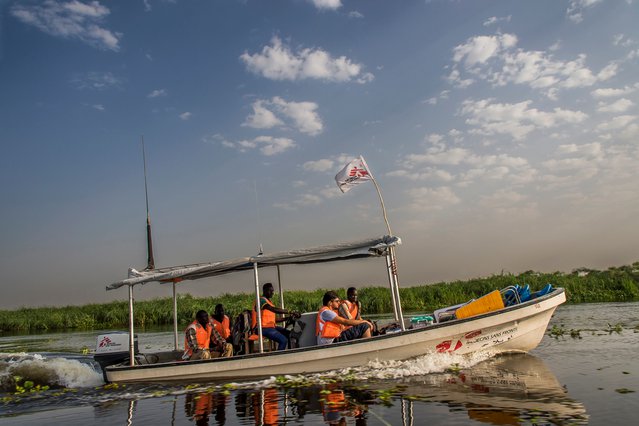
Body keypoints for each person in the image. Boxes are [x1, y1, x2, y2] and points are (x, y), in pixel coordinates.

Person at [252, 282, 300, 351]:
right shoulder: (261, 300)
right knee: (283, 340)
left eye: (273, 291)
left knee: (290, 334)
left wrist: (286, 318)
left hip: (270, 327)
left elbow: (274, 320)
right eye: (270, 291)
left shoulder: (269, 302)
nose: (272, 292)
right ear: (265, 291)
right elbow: (273, 309)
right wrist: (290, 312)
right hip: (261, 328)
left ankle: (291, 353)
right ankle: (279, 358)